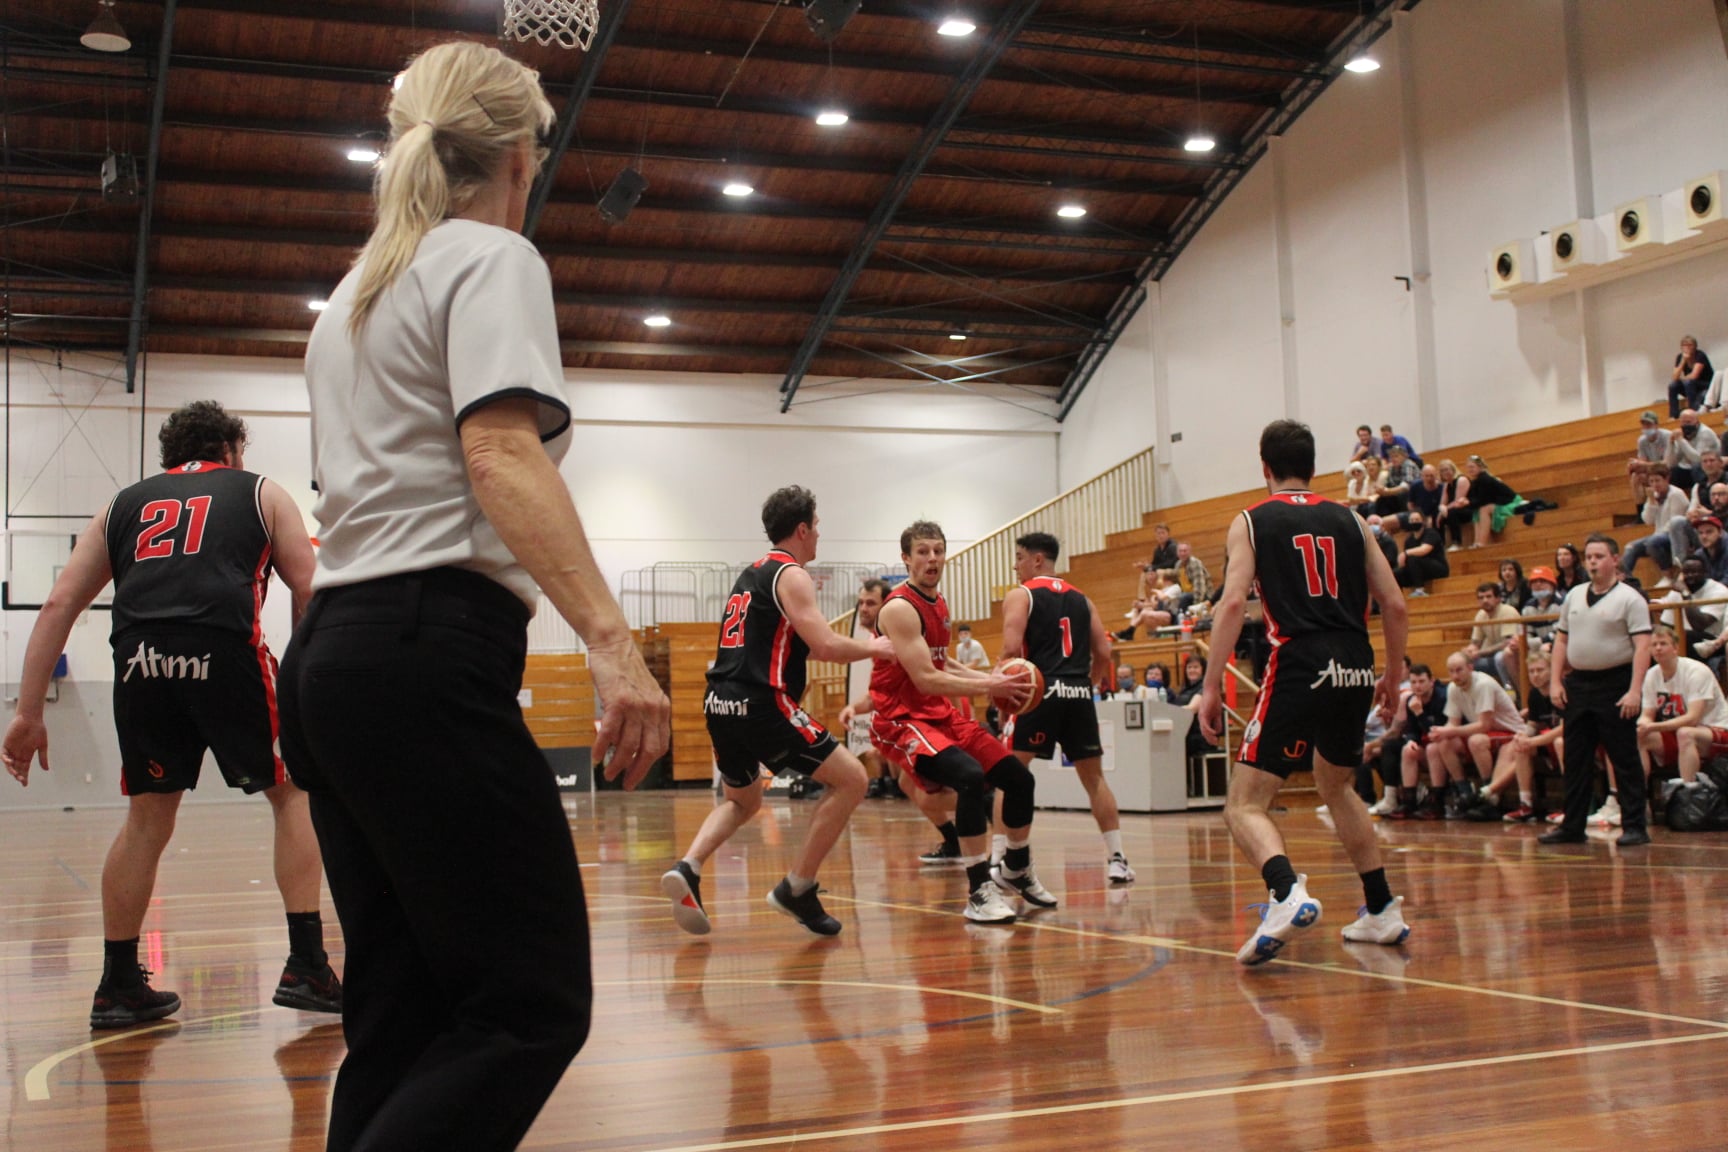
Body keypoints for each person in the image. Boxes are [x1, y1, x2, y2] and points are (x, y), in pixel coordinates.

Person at [285, 42, 671, 1152]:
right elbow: (500, 455)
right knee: (528, 1003)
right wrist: (611, 640)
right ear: (516, 154)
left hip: (336, 661)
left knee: (401, 1018)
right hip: (423, 650)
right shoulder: (491, 261)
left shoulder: (353, 293)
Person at [1, 401, 337, 1030]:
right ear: (233, 450)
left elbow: (57, 604)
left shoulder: (123, 503)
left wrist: (26, 712)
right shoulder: (262, 492)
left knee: (147, 818)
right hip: (226, 652)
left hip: (139, 662)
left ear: (168, 457)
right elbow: (309, 587)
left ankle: (118, 985)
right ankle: (307, 966)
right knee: (292, 794)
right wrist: (306, 680)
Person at [1200, 419, 1411, 965]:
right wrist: (1391, 673)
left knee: (1244, 803)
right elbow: (1395, 603)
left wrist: (1208, 686)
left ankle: (1285, 892)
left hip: (1300, 658)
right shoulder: (1351, 518)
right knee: (1336, 785)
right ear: (1314, 468)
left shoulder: (1251, 520)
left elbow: (1230, 605)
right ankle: (1381, 907)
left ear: (1264, 467)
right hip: (1355, 660)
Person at [662, 488, 889, 938]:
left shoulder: (752, 573)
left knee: (742, 800)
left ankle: (688, 866)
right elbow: (826, 645)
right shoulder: (792, 574)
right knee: (853, 779)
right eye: (817, 525)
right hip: (761, 702)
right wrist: (874, 647)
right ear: (802, 529)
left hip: (719, 701)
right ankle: (797, 887)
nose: (819, 533)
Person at [870, 520, 1043, 924]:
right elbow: (925, 678)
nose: (932, 558)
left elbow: (940, 661)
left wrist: (988, 679)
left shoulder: (938, 602)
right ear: (906, 558)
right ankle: (980, 891)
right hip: (901, 718)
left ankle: (1016, 868)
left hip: (937, 713)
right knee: (968, 776)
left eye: (938, 550)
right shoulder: (899, 608)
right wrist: (990, 685)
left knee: (1018, 779)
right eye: (923, 552)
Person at [1000, 532, 1134, 884]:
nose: (1015, 565)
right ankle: (1118, 859)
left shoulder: (1021, 594)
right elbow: (1103, 654)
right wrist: (1086, 685)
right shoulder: (1083, 599)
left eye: (1019, 557)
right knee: (1095, 780)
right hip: (1077, 693)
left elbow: (1011, 651)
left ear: (1037, 560)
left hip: (1038, 692)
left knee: (1008, 775)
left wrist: (1003, 699)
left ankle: (1001, 857)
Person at [1541, 533, 1653, 847]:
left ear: (1615, 560)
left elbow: (1643, 646)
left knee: (1624, 757)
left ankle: (1635, 825)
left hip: (1616, 683)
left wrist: (1634, 690)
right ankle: (1573, 826)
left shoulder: (1630, 599)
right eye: (1589, 556)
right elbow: (1561, 640)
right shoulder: (1574, 595)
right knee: (1576, 758)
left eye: (1599, 556)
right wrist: (1554, 681)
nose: (1592, 562)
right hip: (1579, 684)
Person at [1425, 651, 1530, 818]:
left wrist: (1450, 730)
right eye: (1451, 671)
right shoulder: (1453, 688)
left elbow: (1484, 725)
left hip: (1510, 730)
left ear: (1470, 668)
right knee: (1443, 743)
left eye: (1459, 670)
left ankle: (1489, 796)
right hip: (1488, 732)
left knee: (1476, 741)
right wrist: (1441, 732)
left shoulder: (1483, 684)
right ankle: (1465, 792)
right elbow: (1453, 722)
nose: (1455, 675)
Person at [1636, 625, 1728, 796]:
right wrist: (1642, 725)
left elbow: (1693, 718)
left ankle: (1689, 794)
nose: (1658, 648)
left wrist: (1653, 727)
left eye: (1663, 643)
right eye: (1653, 644)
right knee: (1640, 736)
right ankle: (1639, 799)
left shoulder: (1696, 671)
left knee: (1686, 733)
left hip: (1717, 729)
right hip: (1677, 732)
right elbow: (1647, 715)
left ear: (1675, 648)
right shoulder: (1651, 675)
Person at [1461, 455, 1517, 548]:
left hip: (1509, 501)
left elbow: (1483, 499)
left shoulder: (1485, 479)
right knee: (1477, 511)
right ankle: (1477, 541)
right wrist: (1466, 501)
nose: (1470, 470)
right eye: (1468, 467)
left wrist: (1468, 503)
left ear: (1480, 467)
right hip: (1495, 502)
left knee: (1484, 510)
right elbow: (1473, 498)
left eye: (1472, 467)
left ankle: (1482, 542)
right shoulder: (1476, 481)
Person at [1393, 510, 1447, 594]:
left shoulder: (1431, 533)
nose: (1414, 522)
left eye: (1417, 520)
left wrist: (1406, 553)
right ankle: (1399, 597)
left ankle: (1420, 590)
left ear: (1423, 521)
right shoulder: (1409, 540)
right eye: (1412, 520)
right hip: (1419, 570)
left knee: (1413, 559)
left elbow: (1424, 549)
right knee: (1397, 573)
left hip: (1438, 568)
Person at [1671, 335, 1715, 416]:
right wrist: (1683, 360)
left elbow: (1694, 376)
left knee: (1688, 382)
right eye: (1684, 345)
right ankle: (1673, 415)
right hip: (1690, 385)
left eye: (1690, 345)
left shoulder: (1700, 355)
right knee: (1673, 386)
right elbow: (1675, 377)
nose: (1687, 347)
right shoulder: (1680, 357)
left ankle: (1692, 411)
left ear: (1695, 346)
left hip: (1705, 385)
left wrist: (1683, 379)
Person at [1437, 458, 1471, 552]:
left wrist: (1444, 509)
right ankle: (1440, 545)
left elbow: (1458, 502)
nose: (1445, 472)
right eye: (1442, 470)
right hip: (1455, 509)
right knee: (1436, 516)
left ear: (1453, 469)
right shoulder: (1447, 485)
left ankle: (1457, 542)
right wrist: (1441, 510)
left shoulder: (1461, 479)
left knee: (1451, 513)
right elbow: (1442, 503)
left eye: (1447, 469)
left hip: (1468, 509)